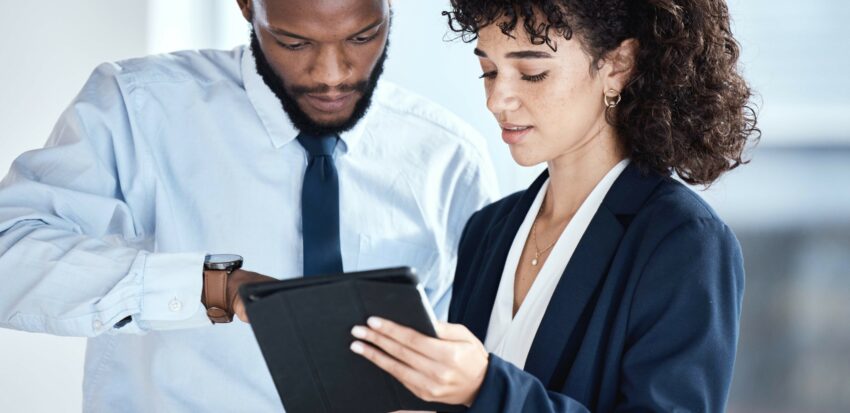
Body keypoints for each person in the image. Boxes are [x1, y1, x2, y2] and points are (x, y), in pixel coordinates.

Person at [0, 0, 498, 411]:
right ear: (246, 7)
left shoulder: (449, 160)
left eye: (363, 37)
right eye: (295, 43)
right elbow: (9, 257)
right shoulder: (138, 107)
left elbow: (473, 357)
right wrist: (215, 287)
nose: (332, 75)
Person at [350, 0, 759, 411]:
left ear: (617, 66)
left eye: (532, 73)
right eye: (489, 71)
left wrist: (486, 387)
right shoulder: (488, 230)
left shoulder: (683, 241)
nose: (497, 100)